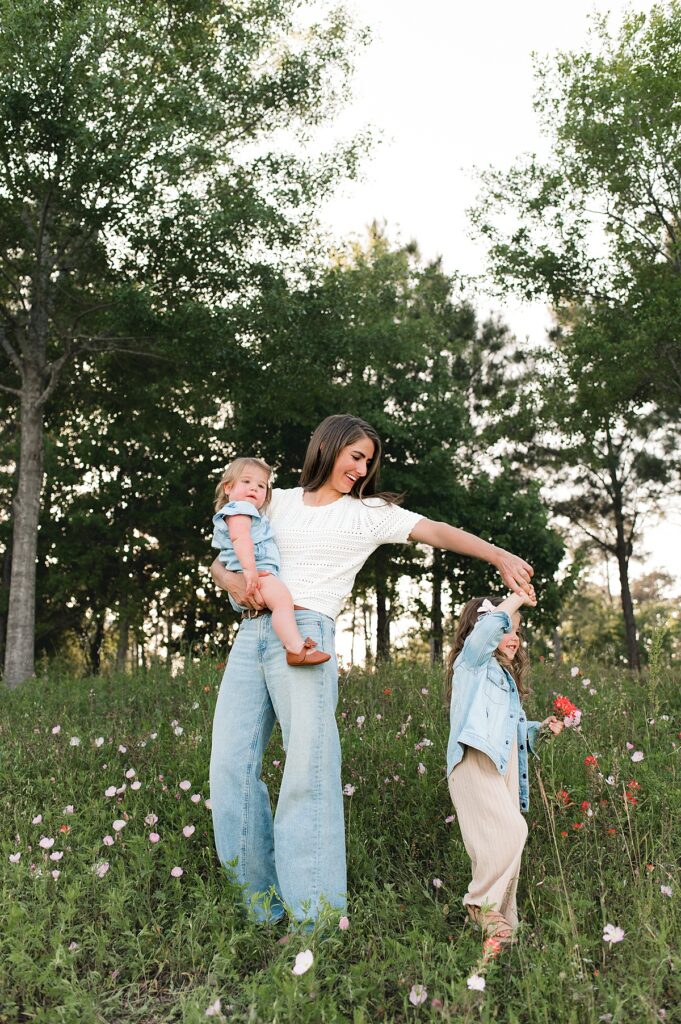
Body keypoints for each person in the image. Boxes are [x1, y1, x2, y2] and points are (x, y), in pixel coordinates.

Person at [209, 413, 535, 928]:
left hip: (310, 630)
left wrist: (498, 554)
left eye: (368, 462)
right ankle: (261, 914)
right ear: (328, 446)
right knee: (228, 772)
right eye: (355, 456)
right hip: (251, 632)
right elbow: (221, 557)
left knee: (306, 774)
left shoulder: (370, 513)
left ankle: (312, 923)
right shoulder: (277, 498)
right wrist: (234, 584)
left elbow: (438, 532)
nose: (362, 469)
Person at [445, 590, 563, 949]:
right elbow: (486, 632)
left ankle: (503, 931)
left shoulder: (504, 680)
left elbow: (511, 730)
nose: (514, 637)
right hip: (474, 760)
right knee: (512, 831)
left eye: (518, 631)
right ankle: (480, 905)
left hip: (503, 765)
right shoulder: (473, 662)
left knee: (504, 844)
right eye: (507, 628)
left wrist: (539, 729)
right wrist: (515, 596)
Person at [212, 456, 330, 667]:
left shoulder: (246, 512)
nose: (254, 489)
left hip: (251, 579)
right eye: (246, 482)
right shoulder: (240, 509)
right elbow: (241, 539)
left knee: (279, 602)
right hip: (256, 576)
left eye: (261, 486)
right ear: (228, 487)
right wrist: (250, 571)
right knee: (284, 601)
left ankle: (294, 646)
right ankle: (295, 648)